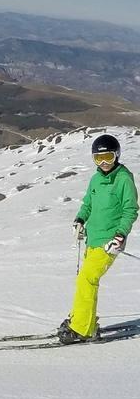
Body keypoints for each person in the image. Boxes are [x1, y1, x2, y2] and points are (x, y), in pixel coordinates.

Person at [61, 133, 137, 343]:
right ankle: (83, 320)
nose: (104, 163)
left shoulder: (123, 179)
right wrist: (79, 219)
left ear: (117, 156)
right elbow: (88, 204)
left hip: (109, 242)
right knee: (85, 281)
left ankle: (82, 329)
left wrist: (120, 236)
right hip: (92, 240)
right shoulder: (96, 179)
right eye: (98, 159)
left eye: (109, 158)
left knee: (87, 279)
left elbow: (130, 210)